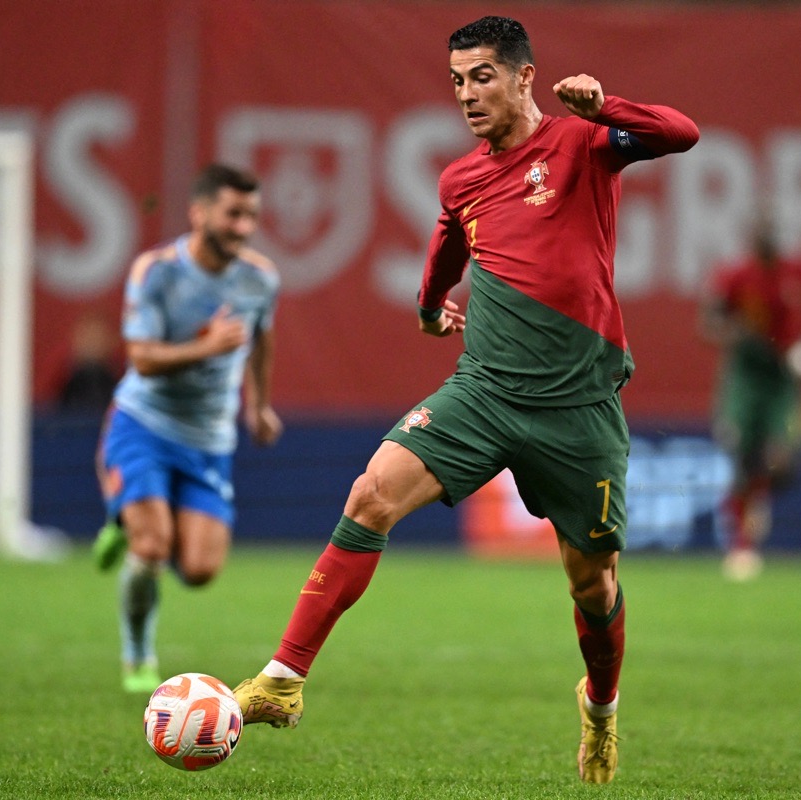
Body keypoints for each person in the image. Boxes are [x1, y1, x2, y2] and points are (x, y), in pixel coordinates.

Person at [230, 16, 698, 785]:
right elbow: (448, 242)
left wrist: (607, 106)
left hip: (577, 408)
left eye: (481, 76)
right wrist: (428, 306)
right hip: (483, 391)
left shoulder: (584, 145)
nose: (466, 94)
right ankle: (284, 679)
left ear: (524, 76)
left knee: (594, 582)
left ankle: (602, 706)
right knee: (371, 494)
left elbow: (682, 134)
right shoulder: (462, 177)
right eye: (456, 81)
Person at [91, 163, 283, 693]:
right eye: (233, 214)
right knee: (154, 548)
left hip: (209, 439)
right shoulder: (156, 271)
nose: (243, 227)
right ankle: (137, 657)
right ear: (199, 213)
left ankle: (127, 520)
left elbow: (262, 338)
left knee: (199, 570)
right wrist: (209, 347)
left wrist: (259, 405)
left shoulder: (260, 278)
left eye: (251, 216)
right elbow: (143, 359)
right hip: (144, 423)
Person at [699, 210, 801, 581]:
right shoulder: (735, 276)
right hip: (746, 375)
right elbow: (708, 321)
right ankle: (741, 546)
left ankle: (758, 498)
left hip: (784, 377)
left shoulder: (798, 272)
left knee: (783, 460)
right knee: (739, 453)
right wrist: (737, 334)